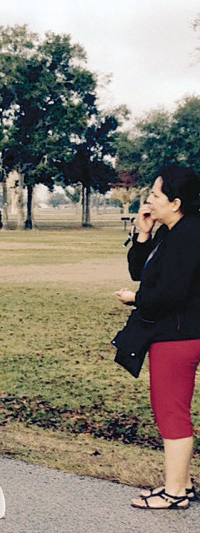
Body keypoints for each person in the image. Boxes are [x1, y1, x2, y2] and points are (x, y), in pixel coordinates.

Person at [115, 165, 200, 510]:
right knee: (173, 410)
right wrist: (144, 234)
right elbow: (140, 271)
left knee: (171, 410)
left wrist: (136, 299)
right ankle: (180, 482)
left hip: (179, 334)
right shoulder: (171, 231)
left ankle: (175, 491)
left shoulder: (189, 235)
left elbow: (170, 294)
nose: (148, 200)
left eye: (155, 195)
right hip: (179, 332)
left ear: (175, 202)